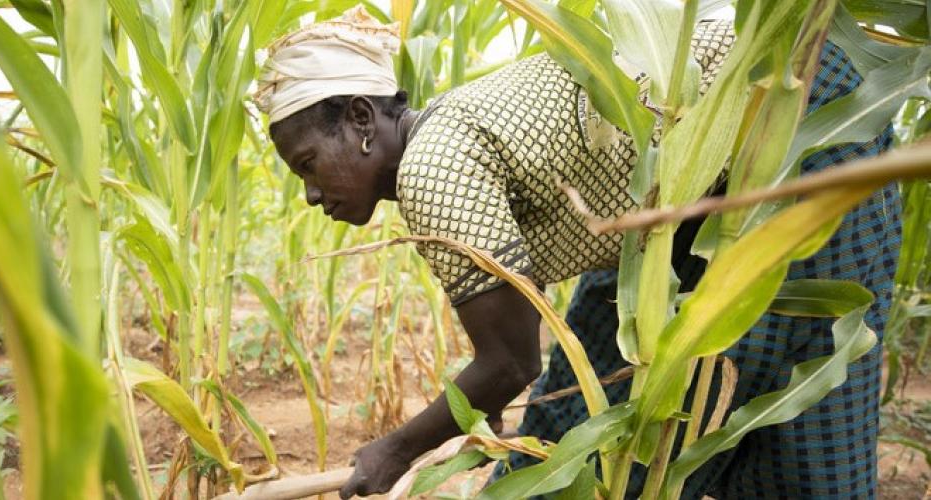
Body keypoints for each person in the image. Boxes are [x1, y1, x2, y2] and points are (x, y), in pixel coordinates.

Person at [253, 6, 900, 499]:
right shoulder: (444, 140)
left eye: (309, 163)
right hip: (677, 210)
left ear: (363, 122)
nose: (311, 193)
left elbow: (509, 363)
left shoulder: (432, 167)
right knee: (578, 402)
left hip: (798, 107)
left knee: (800, 382)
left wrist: (393, 452)